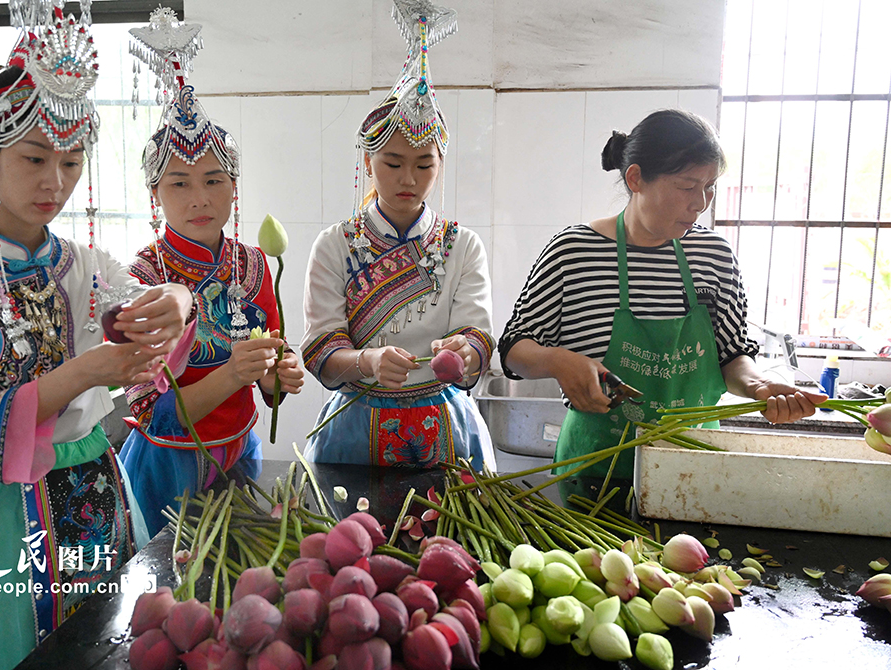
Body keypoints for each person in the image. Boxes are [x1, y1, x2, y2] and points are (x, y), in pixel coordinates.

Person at [0, 5, 194, 669]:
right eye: (33, 159)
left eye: (72, 161)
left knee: (104, 647)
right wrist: (86, 373)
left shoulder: (80, 265)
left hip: (99, 496)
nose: (54, 182)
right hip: (1, 518)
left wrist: (176, 297)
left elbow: (152, 301)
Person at [499, 109, 825, 479]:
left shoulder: (714, 256)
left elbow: (731, 353)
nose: (701, 203)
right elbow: (514, 348)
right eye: (687, 186)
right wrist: (559, 362)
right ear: (636, 178)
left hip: (692, 466)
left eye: (710, 186)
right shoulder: (573, 252)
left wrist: (758, 384)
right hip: (596, 468)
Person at [119, 9, 304, 536]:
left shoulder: (252, 263)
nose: (199, 198)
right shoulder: (143, 275)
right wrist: (234, 374)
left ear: (234, 186)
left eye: (214, 179)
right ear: (155, 194)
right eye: (178, 183)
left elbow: (269, 362)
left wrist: (278, 375)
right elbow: (153, 411)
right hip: (166, 466)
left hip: (240, 453)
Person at [302, 5, 495, 469]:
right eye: (392, 163)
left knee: (455, 537)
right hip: (354, 425)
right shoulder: (335, 246)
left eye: (424, 165)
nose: (408, 178)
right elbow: (321, 351)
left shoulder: (462, 245)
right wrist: (366, 362)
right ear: (368, 163)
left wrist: (464, 353)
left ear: (440, 165)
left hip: (448, 426)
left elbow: (479, 335)